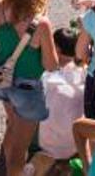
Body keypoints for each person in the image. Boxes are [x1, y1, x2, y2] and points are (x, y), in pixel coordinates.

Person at [0, 0, 59, 176]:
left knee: (12, 127)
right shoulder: (40, 24)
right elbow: (50, 64)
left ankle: (7, 166)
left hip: (2, 81)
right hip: (27, 90)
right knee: (20, 147)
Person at [30, 27, 85, 172]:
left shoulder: (48, 77)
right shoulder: (84, 75)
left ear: (57, 49)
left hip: (48, 146)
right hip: (74, 146)